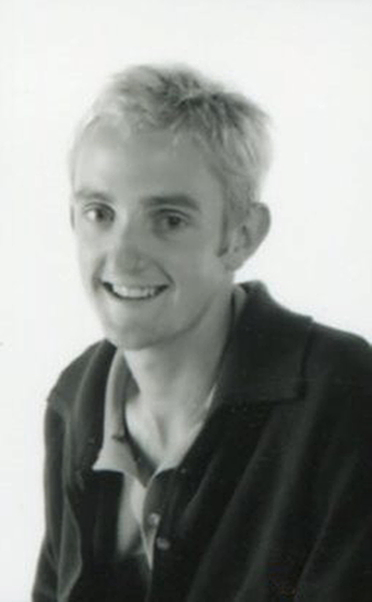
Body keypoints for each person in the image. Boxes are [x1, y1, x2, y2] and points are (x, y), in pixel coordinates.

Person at [32, 65, 372, 602]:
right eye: (99, 212)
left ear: (241, 236)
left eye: (168, 219)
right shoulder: (75, 399)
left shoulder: (346, 394)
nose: (121, 256)